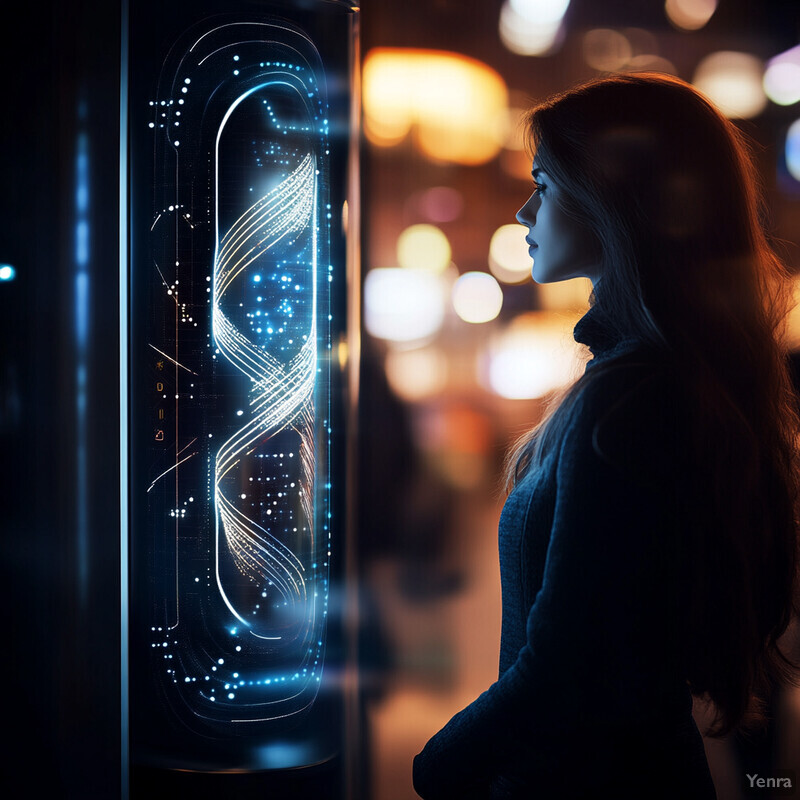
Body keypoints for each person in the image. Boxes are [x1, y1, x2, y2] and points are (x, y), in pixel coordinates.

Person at [412, 73, 800, 799]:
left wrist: (436, 766)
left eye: (545, 184)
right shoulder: (651, 382)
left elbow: (566, 663)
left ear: (613, 201)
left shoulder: (633, 397)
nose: (525, 210)